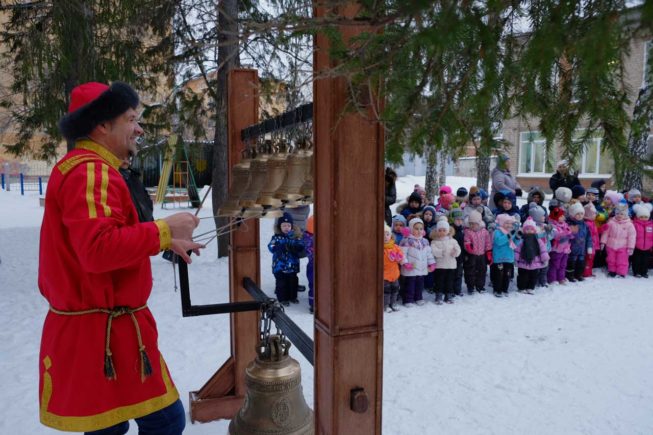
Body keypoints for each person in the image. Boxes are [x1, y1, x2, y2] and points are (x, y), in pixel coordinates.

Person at [39, 81, 204, 434]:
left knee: (109, 428)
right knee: (163, 421)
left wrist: (164, 241)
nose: (139, 128)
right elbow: (97, 250)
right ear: (102, 125)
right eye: (131, 118)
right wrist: (162, 229)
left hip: (104, 331)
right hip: (105, 336)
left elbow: (102, 239)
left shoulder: (87, 167)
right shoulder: (91, 170)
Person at [268, 212, 305, 305]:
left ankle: (293, 297)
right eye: (284, 225)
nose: (286, 228)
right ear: (279, 226)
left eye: (288, 225)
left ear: (292, 226)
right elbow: (270, 246)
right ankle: (282, 299)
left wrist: (296, 247)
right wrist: (278, 248)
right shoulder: (276, 237)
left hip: (292, 266)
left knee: (293, 282)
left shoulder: (295, 237)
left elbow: (301, 245)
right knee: (281, 283)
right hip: (279, 266)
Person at [399, 217, 436, 307]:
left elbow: (429, 254)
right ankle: (408, 299)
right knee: (410, 284)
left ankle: (418, 297)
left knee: (420, 284)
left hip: (421, 268)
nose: (419, 231)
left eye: (421, 229)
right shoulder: (406, 241)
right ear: (411, 229)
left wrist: (432, 263)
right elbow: (402, 254)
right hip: (410, 267)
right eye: (416, 229)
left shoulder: (425, 241)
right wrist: (405, 263)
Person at [600, 200, 636, 278]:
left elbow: (632, 236)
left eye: (622, 214)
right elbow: (606, 233)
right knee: (611, 259)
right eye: (617, 213)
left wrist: (631, 247)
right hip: (610, 245)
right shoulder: (611, 222)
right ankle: (612, 271)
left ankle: (621, 272)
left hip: (623, 246)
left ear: (626, 215)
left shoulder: (629, 225)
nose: (619, 215)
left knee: (622, 260)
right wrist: (603, 242)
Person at [430, 217, 461, 304]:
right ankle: (439, 295)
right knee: (439, 281)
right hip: (440, 265)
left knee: (450, 281)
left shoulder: (453, 241)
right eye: (440, 230)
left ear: (448, 231)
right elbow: (433, 251)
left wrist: (455, 252)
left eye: (444, 230)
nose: (442, 232)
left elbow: (458, 249)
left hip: (451, 265)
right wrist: (441, 252)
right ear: (437, 231)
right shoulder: (434, 241)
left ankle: (448, 295)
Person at [515, 218, 549, 294]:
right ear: (524, 230)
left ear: (534, 230)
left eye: (531, 229)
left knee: (533, 276)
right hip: (523, 262)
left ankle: (530, 287)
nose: (529, 231)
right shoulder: (521, 240)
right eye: (527, 229)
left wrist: (545, 259)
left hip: (535, 262)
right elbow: (517, 250)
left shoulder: (538, 240)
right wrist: (515, 259)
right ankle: (521, 287)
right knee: (522, 276)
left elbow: (543, 250)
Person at [463, 210, 492, 294]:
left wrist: (488, 252)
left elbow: (488, 242)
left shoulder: (484, 232)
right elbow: (466, 240)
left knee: (482, 271)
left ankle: (480, 286)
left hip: (482, 255)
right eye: (470, 223)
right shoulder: (467, 231)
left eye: (474, 223)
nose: (472, 225)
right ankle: (470, 286)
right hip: (472, 255)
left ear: (479, 223)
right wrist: (468, 245)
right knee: (470, 271)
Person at [491, 214, 520, 297]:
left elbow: (514, 244)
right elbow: (499, 242)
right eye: (507, 223)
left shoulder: (511, 232)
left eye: (511, 223)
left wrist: (518, 237)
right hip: (499, 258)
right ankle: (497, 290)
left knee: (507, 275)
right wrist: (509, 235)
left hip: (509, 257)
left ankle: (505, 289)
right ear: (501, 223)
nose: (509, 225)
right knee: (499, 275)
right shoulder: (497, 232)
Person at [120, 157, 154, 223]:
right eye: (122, 158)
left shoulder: (134, 177)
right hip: (130, 228)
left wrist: (149, 209)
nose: (126, 162)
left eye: (128, 158)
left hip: (146, 223)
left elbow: (145, 197)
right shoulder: (113, 177)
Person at [383, 223, 405, 312]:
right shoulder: (379, 247)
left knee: (395, 289)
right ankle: (386, 305)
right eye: (383, 234)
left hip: (395, 273)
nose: (385, 237)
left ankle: (393, 303)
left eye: (387, 234)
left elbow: (401, 256)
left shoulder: (395, 247)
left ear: (391, 235)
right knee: (386, 291)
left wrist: (400, 259)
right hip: (384, 274)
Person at [547, 206, 572, 285]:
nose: (563, 217)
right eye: (561, 216)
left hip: (565, 248)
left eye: (563, 215)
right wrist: (566, 232)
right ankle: (552, 279)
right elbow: (557, 235)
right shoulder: (553, 226)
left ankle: (561, 278)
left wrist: (570, 232)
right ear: (556, 217)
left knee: (563, 264)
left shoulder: (564, 224)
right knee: (555, 265)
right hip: (556, 249)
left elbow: (569, 233)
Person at [631, 203, 653, 278]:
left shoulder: (651, 225)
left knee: (645, 261)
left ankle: (644, 272)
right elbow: (632, 235)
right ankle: (636, 272)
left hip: (647, 247)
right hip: (637, 246)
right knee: (636, 260)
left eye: (646, 217)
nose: (644, 218)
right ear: (638, 217)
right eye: (641, 217)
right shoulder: (635, 224)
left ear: (648, 217)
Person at [304, 215, 316, 313]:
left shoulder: (307, 237)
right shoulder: (308, 238)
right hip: (313, 265)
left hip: (316, 265)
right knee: (314, 284)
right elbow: (309, 251)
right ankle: (313, 305)